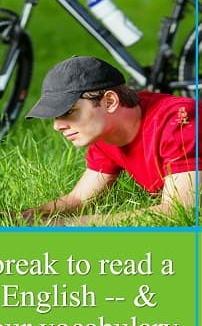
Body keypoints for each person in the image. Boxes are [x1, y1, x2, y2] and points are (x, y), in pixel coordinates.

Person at [16, 56, 201, 226]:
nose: (57, 126)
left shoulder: (180, 121)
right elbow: (78, 200)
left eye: (69, 112)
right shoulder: (107, 133)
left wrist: (66, 225)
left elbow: (178, 211)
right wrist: (18, 217)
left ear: (110, 101)